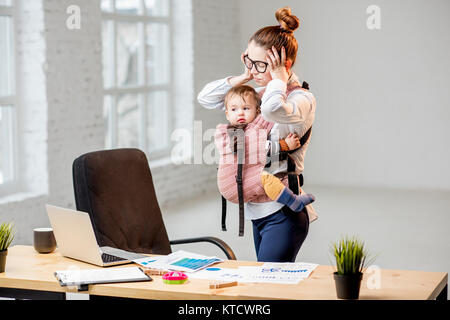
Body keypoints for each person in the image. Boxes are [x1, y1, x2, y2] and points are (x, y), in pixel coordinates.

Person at [198, 7, 317, 262]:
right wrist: (243, 76)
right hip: (257, 212)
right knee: (266, 288)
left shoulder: (300, 99)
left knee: (268, 285)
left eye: (260, 64)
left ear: (283, 65)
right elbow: (206, 98)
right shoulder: (259, 93)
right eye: (248, 60)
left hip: (282, 212)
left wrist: (278, 79)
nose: (254, 71)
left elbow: (274, 109)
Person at [215, 84, 315, 213]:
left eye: (246, 108)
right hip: (230, 184)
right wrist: (283, 145)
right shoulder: (224, 132)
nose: (240, 112)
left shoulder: (249, 129)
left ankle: (290, 199)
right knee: (266, 179)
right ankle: (293, 202)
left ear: (257, 112)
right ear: (227, 114)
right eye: (234, 110)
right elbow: (254, 147)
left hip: (241, 181)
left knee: (277, 181)